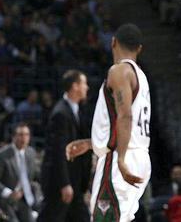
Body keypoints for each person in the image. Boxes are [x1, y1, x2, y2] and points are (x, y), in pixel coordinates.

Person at [66, 23, 152, 221]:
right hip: (139, 155)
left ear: (113, 42)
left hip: (120, 157)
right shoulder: (141, 77)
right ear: (139, 48)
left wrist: (120, 158)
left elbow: (125, 116)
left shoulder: (119, 71)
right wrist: (92, 143)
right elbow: (126, 123)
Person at [38, 70, 91, 222]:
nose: (87, 87)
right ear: (75, 86)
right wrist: (65, 183)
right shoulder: (60, 113)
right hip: (60, 184)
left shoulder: (76, 110)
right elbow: (57, 152)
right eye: (84, 83)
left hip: (74, 182)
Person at [0, 123, 42, 222]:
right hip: (4, 199)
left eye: (27, 135)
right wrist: (8, 193)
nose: (24, 138)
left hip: (24, 198)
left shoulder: (31, 153)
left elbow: (36, 174)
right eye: (20, 135)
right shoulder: (0, 155)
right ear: (13, 137)